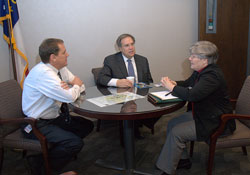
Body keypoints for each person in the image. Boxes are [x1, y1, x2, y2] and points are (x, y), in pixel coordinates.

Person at [156, 41, 236, 175]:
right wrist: (175, 83)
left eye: (193, 56)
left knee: (177, 132)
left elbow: (192, 95)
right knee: (172, 123)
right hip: (205, 114)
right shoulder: (201, 71)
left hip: (217, 121)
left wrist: (171, 88)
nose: (189, 58)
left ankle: (166, 170)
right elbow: (188, 84)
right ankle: (183, 160)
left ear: (204, 60)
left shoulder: (212, 76)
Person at [22, 38, 94, 175]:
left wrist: (73, 87)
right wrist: (74, 87)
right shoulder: (44, 74)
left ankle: (44, 157)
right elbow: (72, 94)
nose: (68, 55)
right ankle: (42, 168)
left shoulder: (60, 69)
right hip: (36, 124)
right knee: (75, 143)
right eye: (64, 52)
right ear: (53, 57)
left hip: (55, 117)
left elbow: (79, 85)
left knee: (86, 126)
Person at [97, 33, 157, 139]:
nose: (131, 48)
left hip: (140, 97)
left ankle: (137, 124)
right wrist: (117, 82)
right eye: (126, 45)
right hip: (121, 99)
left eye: (132, 44)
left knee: (157, 107)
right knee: (127, 110)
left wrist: (143, 88)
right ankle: (131, 131)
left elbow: (149, 81)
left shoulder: (142, 60)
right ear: (120, 48)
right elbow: (101, 78)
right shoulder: (111, 60)